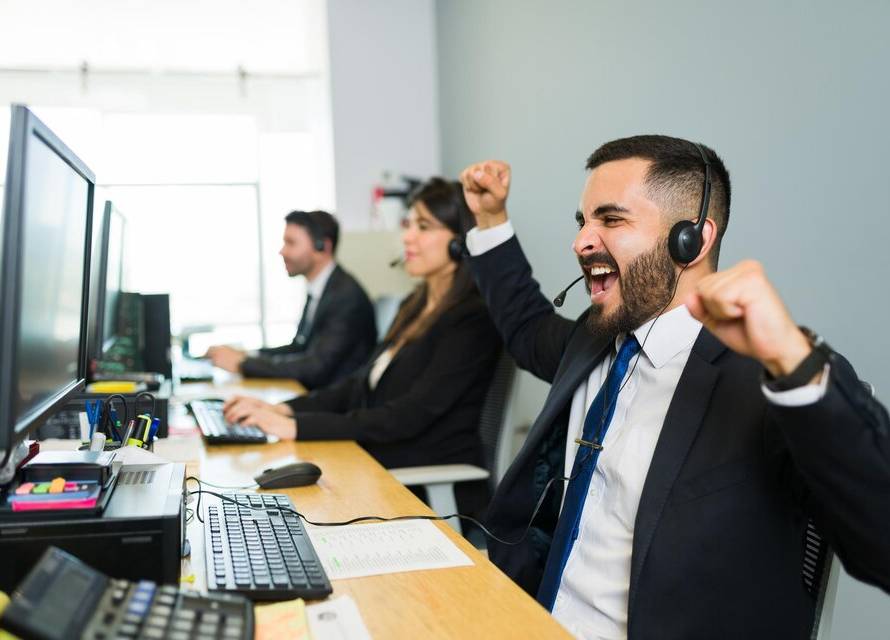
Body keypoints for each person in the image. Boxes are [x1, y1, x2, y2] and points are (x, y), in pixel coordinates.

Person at [458, 135, 890, 639]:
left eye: (611, 219)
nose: (581, 242)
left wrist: (795, 361)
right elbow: (527, 327)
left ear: (692, 239)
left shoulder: (764, 383)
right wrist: (490, 221)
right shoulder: (593, 339)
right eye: (583, 222)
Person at [223, 178, 501, 473]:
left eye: (424, 226)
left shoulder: (471, 318)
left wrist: (295, 426)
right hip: (378, 455)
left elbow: (406, 416)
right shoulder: (414, 304)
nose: (407, 237)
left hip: (420, 473)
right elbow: (358, 385)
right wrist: (284, 409)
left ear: (461, 239)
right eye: (408, 224)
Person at [207, 210, 376, 390]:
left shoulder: (345, 296)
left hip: (334, 406)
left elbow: (315, 367)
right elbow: (298, 347)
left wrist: (244, 364)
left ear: (322, 247)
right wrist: (247, 355)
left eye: (291, 243)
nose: (282, 251)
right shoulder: (322, 289)